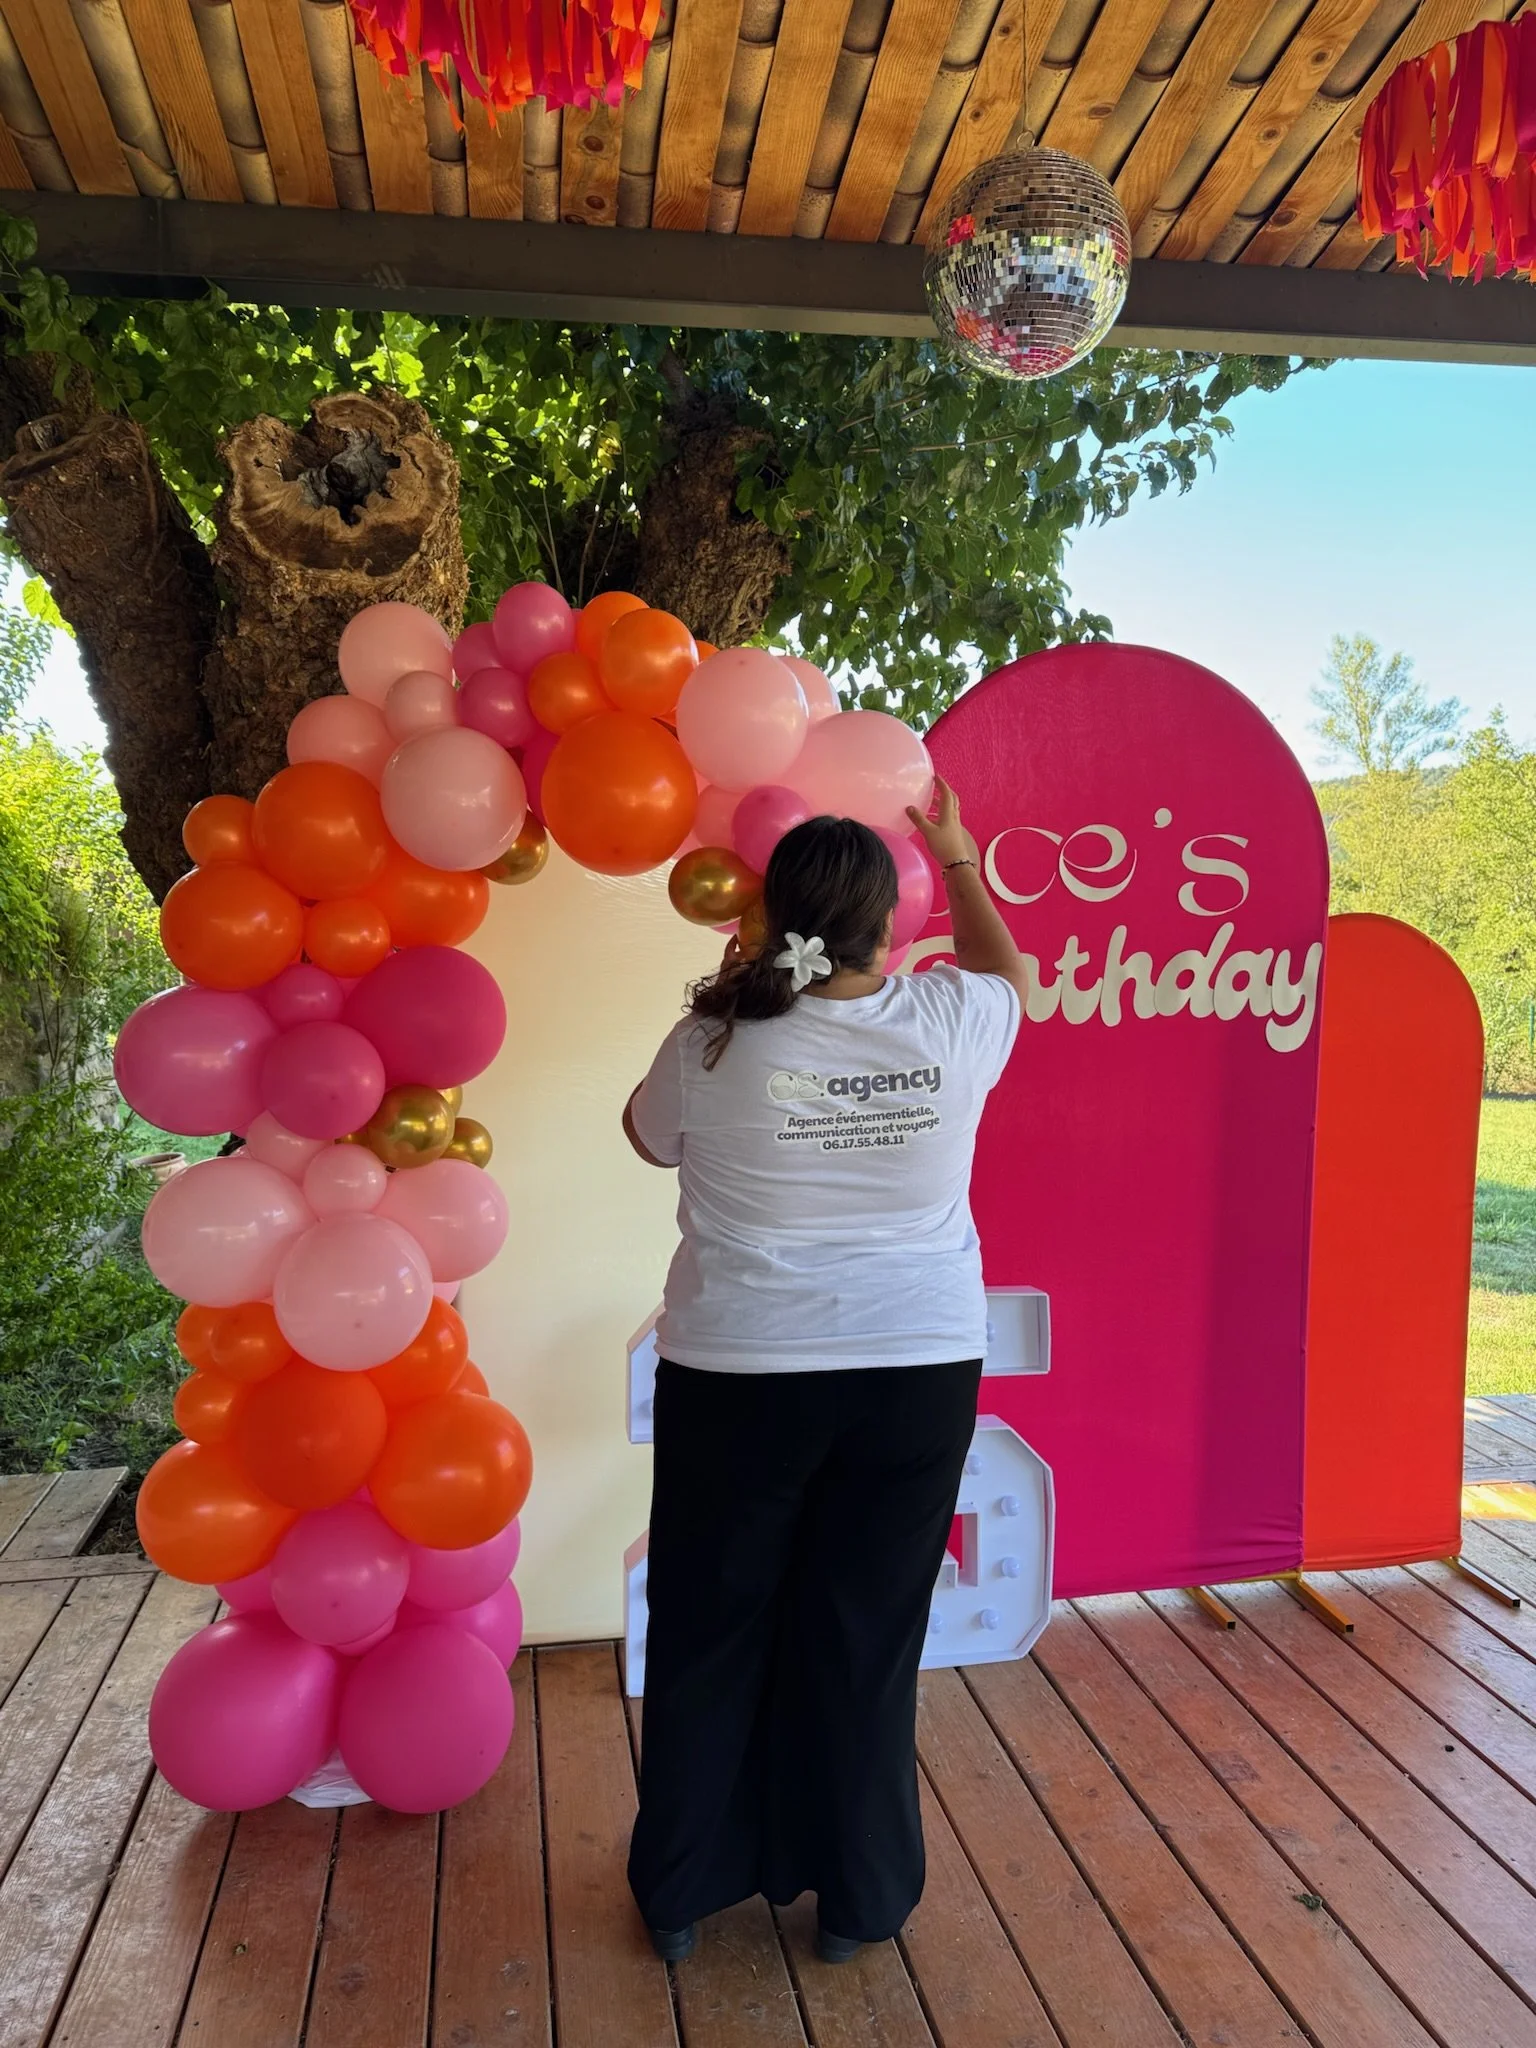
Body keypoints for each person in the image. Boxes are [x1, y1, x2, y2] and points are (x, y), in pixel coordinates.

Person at [622, 777, 1027, 1966]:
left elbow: (645, 1139)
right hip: (913, 1372)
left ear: (767, 909)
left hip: (742, 1373)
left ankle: (682, 1891)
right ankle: (858, 1899)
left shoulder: (708, 1040)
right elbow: (1016, 976)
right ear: (890, 926)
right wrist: (957, 850)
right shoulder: (952, 1019)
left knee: (711, 1624)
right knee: (865, 1632)